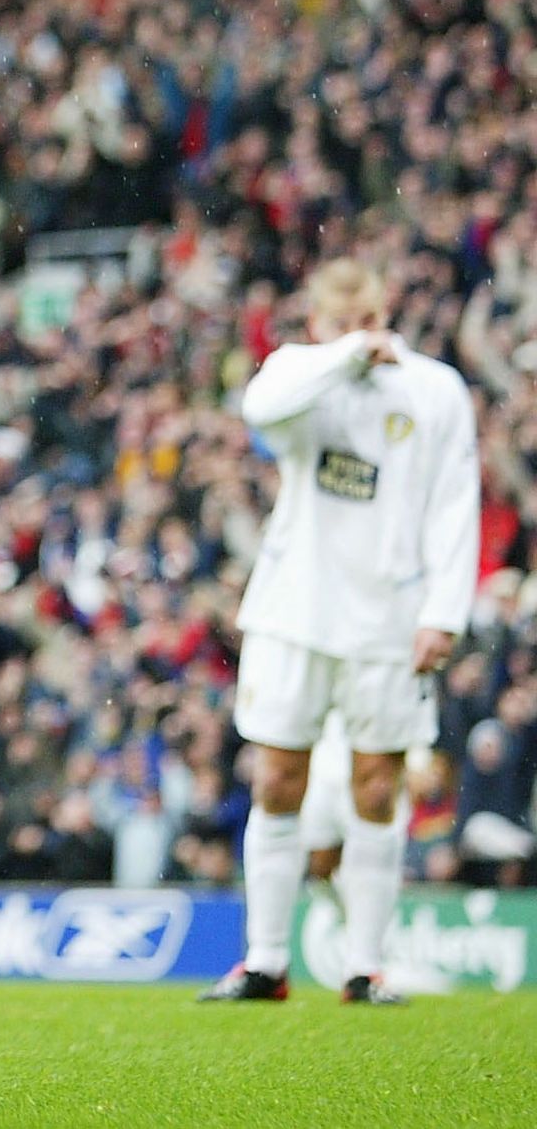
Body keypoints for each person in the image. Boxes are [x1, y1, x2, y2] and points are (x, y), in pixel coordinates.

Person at [201, 259, 478, 1006]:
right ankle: (264, 962)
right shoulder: (300, 376)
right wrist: (346, 353)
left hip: (389, 617)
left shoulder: (433, 388)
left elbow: (457, 502)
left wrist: (444, 612)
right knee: (278, 776)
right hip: (295, 610)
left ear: (386, 309)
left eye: (369, 322)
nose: (362, 336)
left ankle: (366, 964)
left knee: (377, 784)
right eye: (342, 324)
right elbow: (261, 405)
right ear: (319, 323)